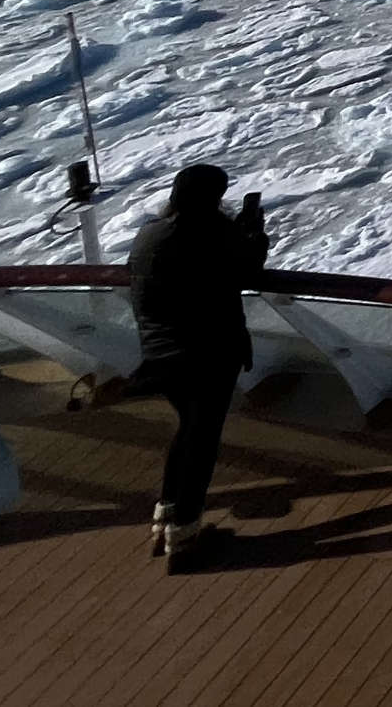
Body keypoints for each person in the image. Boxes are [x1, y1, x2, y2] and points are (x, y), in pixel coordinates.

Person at [126, 163, 269, 561]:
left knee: (188, 431)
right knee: (201, 440)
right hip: (208, 355)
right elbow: (247, 268)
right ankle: (184, 533)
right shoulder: (211, 233)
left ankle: (167, 513)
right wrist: (253, 233)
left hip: (159, 355)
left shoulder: (150, 234)